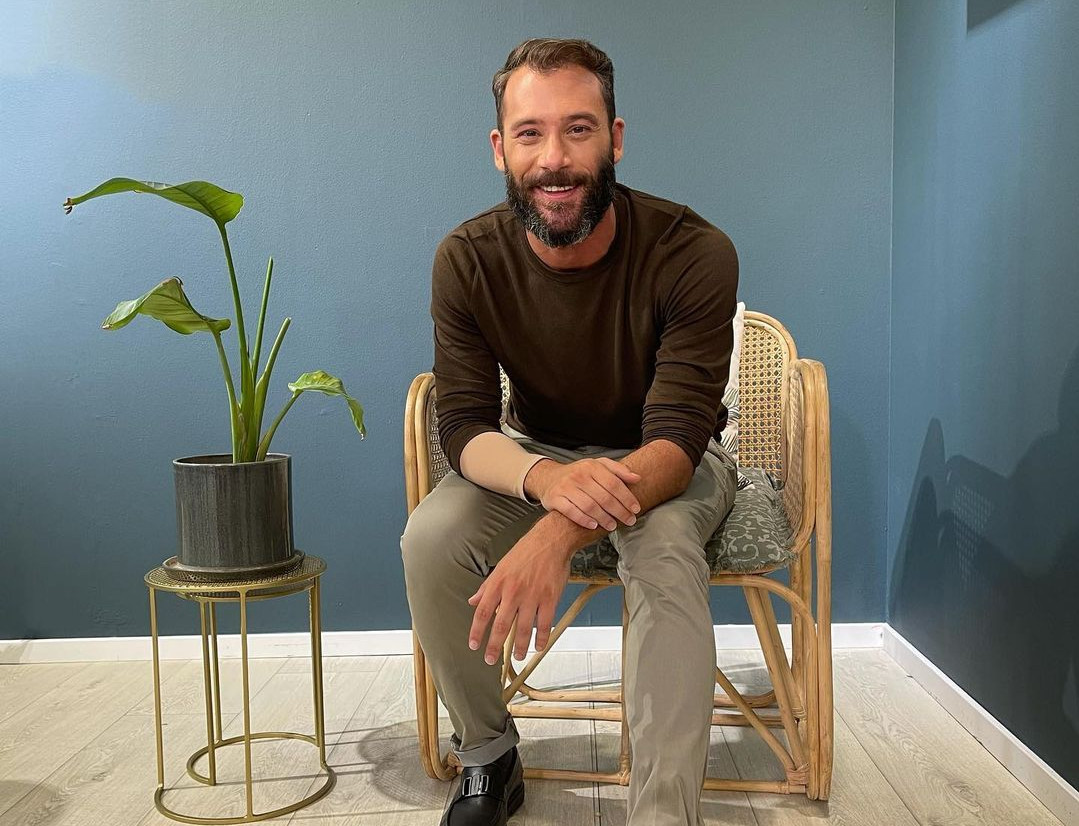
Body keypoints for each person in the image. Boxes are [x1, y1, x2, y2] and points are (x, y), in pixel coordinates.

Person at [401, 37, 739, 826]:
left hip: (669, 459)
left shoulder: (693, 251)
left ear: (614, 138)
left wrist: (556, 531)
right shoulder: (466, 259)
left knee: (662, 550)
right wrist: (548, 481)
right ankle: (488, 757)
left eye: (578, 129)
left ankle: (662, 815)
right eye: (530, 133)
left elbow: (676, 442)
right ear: (500, 149)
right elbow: (463, 424)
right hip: (537, 454)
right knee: (430, 538)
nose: (553, 159)